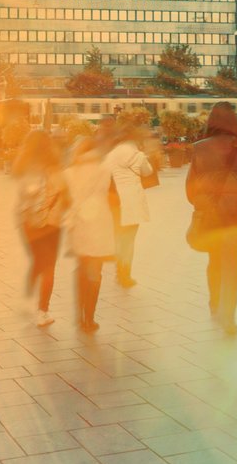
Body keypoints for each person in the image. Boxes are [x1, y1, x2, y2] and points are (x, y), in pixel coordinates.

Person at [187, 103, 237, 334]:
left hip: (212, 214)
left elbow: (190, 188)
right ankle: (229, 316)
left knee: (215, 260)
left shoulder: (199, 148)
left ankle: (214, 305)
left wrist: (201, 205)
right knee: (233, 264)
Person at [13, 131, 71, 327]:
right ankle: (42, 311)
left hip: (27, 223)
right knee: (48, 267)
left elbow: (23, 197)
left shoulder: (23, 168)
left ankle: (26, 298)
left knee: (37, 260)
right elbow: (66, 196)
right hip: (50, 223)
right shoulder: (55, 168)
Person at [63, 137, 115, 333]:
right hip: (99, 224)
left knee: (81, 269)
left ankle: (79, 315)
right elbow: (109, 195)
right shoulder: (104, 170)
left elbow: (66, 200)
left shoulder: (68, 173)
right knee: (95, 273)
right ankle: (89, 319)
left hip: (78, 224)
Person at [107, 125, 153, 288]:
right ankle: (125, 275)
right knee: (129, 240)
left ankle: (119, 270)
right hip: (131, 201)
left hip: (115, 201)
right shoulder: (138, 155)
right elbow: (148, 172)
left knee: (119, 237)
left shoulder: (111, 154)